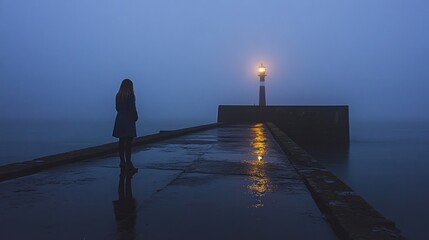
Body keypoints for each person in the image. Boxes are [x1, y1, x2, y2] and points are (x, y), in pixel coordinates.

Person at [113, 79, 138, 172]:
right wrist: (135, 117)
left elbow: (117, 108)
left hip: (120, 119)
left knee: (121, 141)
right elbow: (132, 108)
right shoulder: (131, 95)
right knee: (128, 143)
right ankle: (129, 163)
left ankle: (122, 162)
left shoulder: (118, 95)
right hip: (128, 119)